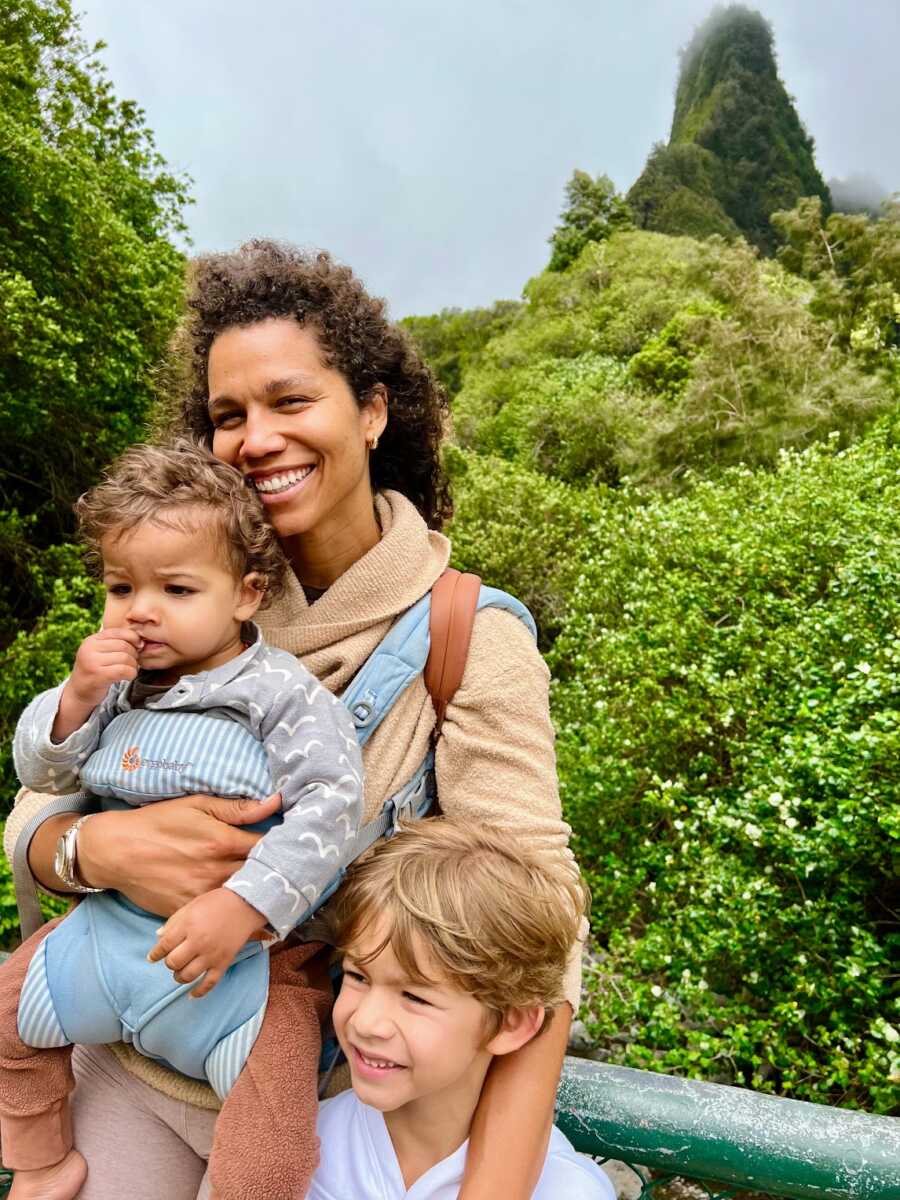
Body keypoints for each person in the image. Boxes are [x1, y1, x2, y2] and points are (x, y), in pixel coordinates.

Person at [5, 240, 585, 1200]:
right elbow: (34, 810)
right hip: (131, 1055)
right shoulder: (180, 600)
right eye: (227, 416)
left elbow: (541, 919)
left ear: (370, 408)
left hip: (323, 1106)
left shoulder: (465, 638)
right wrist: (96, 853)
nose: (256, 438)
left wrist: (494, 1186)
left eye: (290, 401)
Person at [0, 442, 363, 1200]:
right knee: (6, 1015)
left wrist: (247, 902)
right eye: (120, 586)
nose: (140, 610)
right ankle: (38, 1163)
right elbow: (43, 774)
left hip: (240, 973)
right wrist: (74, 697)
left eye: (175, 588)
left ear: (246, 594)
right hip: (105, 937)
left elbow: (332, 806)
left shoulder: (278, 694)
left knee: (274, 1131)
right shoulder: (116, 686)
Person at [310, 818, 612, 1200]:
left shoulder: (566, 1191)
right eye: (357, 976)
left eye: (415, 998)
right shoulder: (304, 1147)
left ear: (512, 1023)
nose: (366, 1022)